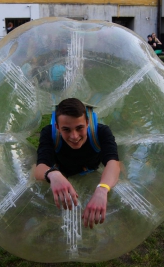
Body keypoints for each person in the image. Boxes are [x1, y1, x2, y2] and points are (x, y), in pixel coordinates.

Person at [34, 98, 120, 229]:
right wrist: (53, 175)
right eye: (66, 130)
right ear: (57, 127)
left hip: (91, 170)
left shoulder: (102, 132)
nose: (74, 136)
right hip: (62, 171)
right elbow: (40, 167)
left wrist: (102, 190)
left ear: (87, 122)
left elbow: (113, 163)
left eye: (79, 128)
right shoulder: (49, 133)